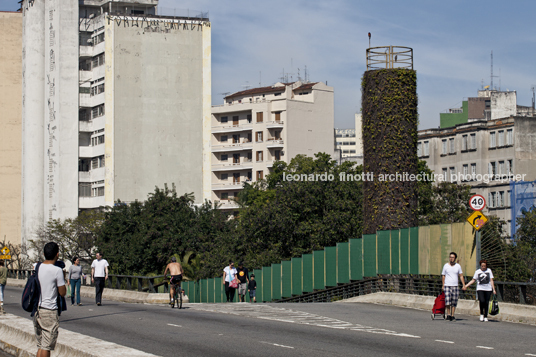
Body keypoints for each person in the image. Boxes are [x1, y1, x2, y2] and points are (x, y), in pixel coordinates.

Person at [34, 242, 66, 357]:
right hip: (49, 310)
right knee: (46, 347)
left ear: (43, 254)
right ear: (57, 254)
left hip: (37, 310)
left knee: (41, 345)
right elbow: (62, 293)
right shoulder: (57, 271)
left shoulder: (37, 267)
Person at [441, 252, 466, 321]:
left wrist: (463, 285)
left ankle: (452, 315)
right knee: (448, 301)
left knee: (454, 301)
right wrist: (443, 285)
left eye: (452, 257)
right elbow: (443, 275)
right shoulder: (446, 266)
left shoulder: (458, 266)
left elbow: (461, 276)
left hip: (455, 286)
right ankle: (448, 314)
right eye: (450, 257)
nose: (451, 259)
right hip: (447, 285)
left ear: (455, 258)